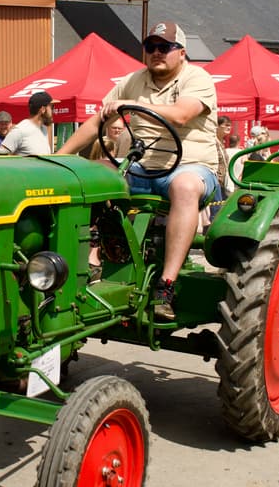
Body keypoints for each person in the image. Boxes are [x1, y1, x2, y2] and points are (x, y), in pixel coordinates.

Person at [57, 21, 220, 321]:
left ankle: (166, 286)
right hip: (142, 168)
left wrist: (131, 104)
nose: (157, 52)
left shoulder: (197, 78)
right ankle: (87, 260)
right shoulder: (133, 80)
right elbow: (98, 122)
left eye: (165, 47)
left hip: (190, 168)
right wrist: (58, 157)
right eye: (151, 47)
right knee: (91, 176)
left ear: (181, 52)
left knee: (184, 187)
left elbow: (182, 115)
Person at [0, 91, 57, 156]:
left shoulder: (44, 129)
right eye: (52, 107)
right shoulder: (20, 130)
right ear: (43, 109)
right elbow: (0, 158)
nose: (54, 111)